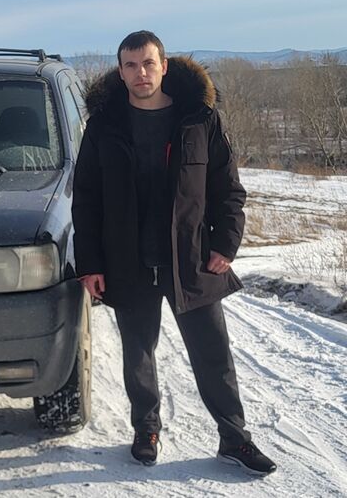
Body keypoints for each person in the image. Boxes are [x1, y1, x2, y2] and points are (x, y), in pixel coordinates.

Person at [72, 30, 276, 476]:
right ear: (120, 71)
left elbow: (228, 190)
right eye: (130, 65)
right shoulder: (105, 125)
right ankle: (146, 429)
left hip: (192, 260)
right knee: (138, 355)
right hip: (128, 261)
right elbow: (85, 198)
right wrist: (90, 264)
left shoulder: (199, 119)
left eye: (148, 63)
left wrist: (225, 245)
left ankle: (235, 438)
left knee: (214, 355)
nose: (140, 73)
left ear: (164, 66)